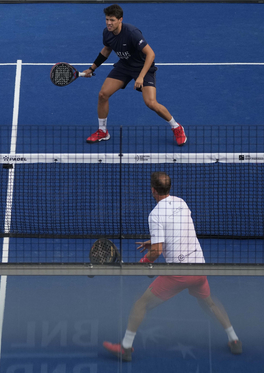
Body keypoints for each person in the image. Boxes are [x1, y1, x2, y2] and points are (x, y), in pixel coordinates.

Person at [103, 172, 242, 362]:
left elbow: (157, 252)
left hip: (179, 273)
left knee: (141, 304)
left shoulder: (154, 215)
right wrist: (153, 242)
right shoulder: (181, 202)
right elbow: (177, 228)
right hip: (199, 267)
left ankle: (125, 347)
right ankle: (234, 339)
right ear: (169, 188)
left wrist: (144, 262)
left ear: (153, 190)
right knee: (208, 302)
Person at [82, 4, 187, 146]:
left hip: (143, 68)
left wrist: (141, 77)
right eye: (107, 19)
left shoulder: (132, 33)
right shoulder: (107, 33)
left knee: (151, 103)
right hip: (124, 66)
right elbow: (107, 49)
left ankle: (176, 127)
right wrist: (92, 68)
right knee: (103, 95)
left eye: (112, 20)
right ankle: (102, 131)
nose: (108, 23)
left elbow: (151, 54)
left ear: (120, 20)